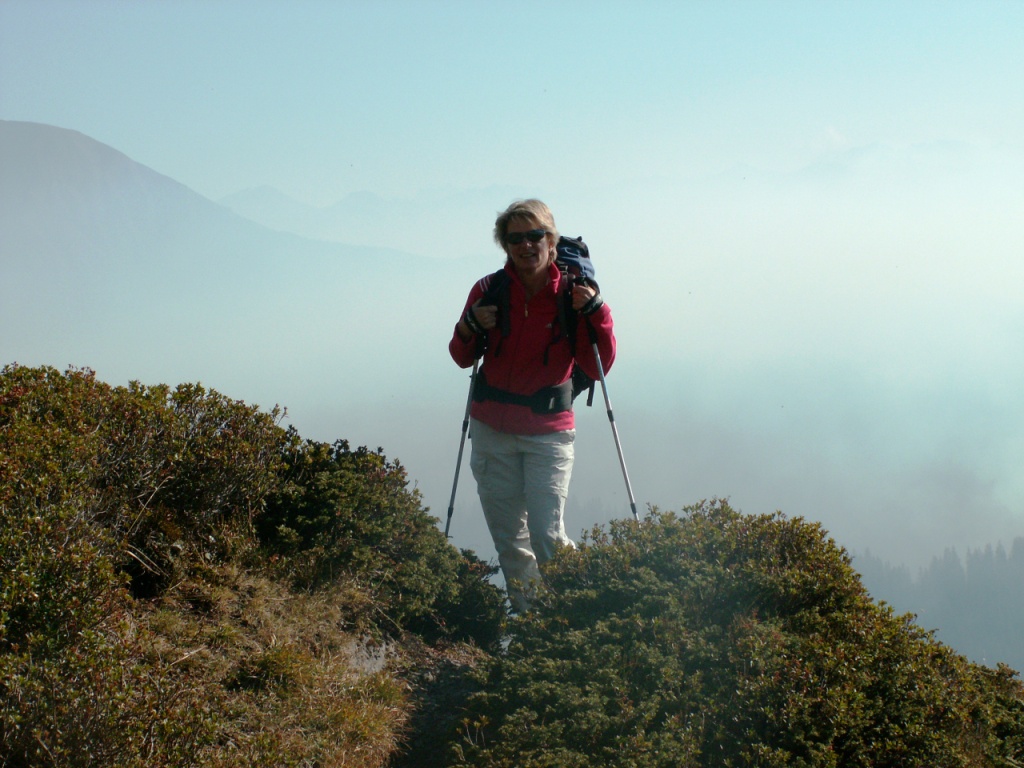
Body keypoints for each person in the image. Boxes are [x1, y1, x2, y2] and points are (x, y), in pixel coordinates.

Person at [449, 199, 616, 611]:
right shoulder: (489, 291)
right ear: (505, 245)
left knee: (547, 537)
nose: (526, 245)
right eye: (515, 238)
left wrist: (597, 312)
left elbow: (597, 367)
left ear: (551, 240)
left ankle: (583, 610)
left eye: (535, 235)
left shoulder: (573, 295)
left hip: (547, 433)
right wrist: (470, 325)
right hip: (492, 431)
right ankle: (535, 625)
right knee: (511, 542)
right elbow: (461, 356)